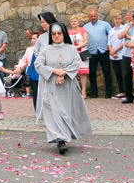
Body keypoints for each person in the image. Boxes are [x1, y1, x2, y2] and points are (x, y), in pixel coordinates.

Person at [34, 22, 92, 154]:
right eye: (53, 34)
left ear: (64, 34)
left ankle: (66, 136)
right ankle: (60, 140)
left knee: (66, 112)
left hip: (67, 87)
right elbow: (38, 65)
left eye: (59, 33)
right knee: (54, 112)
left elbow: (76, 63)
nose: (56, 36)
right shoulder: (46, 50)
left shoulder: (71, 49)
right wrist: (55, 71)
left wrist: (63, 73)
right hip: (51, 87)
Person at [84, 10, 112, 98]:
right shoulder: (85, 27)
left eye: (94, 16)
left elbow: (111, 35)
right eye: (91, 16)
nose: (93, 18)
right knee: (92, 73)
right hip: (91, 52)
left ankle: (109, 92)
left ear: (97, 16)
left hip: (104, 51)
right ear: (89, 17)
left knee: (107, 71)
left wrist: (109, 45)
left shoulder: (105, 24)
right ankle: (94, 92)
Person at [116, 10, 134, 104]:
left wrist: (129, 37)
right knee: (126, 75)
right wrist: (129, 26)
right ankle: (129, 96)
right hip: (126, 54)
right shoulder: (126, 26)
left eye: (128, 15)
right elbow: (120, 36)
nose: (126, 17)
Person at [68, 16, 90, 98]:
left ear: (78, 22)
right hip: (72, 53)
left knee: (83, 73)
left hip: (82, 52)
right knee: (72, 72)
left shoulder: (83, 30)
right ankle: (74, 91)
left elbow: (85, 42)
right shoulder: (68, 32)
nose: (73, 23)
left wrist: (76, 47)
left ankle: (83, 91)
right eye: (72, 21)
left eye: (75, 21)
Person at [108, 14, 127, 99]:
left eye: (119, 18)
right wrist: (112, 51)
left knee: (124, 74)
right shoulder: (111, 30)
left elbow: (123, 43)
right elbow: (109, 42)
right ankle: (121, 92)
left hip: (121, 55)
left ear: (121, 19)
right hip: (113, 55)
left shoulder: (124, 29)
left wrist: (115, 51)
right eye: (115, 19)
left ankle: (127, 92)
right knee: (118, 74)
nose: (117, 20)